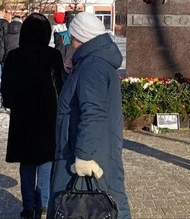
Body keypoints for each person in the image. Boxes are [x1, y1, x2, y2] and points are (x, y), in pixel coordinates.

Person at [48, 12, 131, 219]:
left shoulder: (92, 66)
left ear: (79, 37)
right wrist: (71, 71)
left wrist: (84, 156)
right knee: (110, 202)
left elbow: (93, 112)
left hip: (89, 152)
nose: (70, 41)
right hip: (98, 148)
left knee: (99, 205)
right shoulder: (93, 62)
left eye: (72, 37)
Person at [1, 14, 64, 219]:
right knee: (46, 161)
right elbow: (60, 86)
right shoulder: (52, 55)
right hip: (47, 116)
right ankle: (43, 205)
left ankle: (28, 207)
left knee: (26, 163)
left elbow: (6, 92)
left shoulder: (13, 56)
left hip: (22, 118)